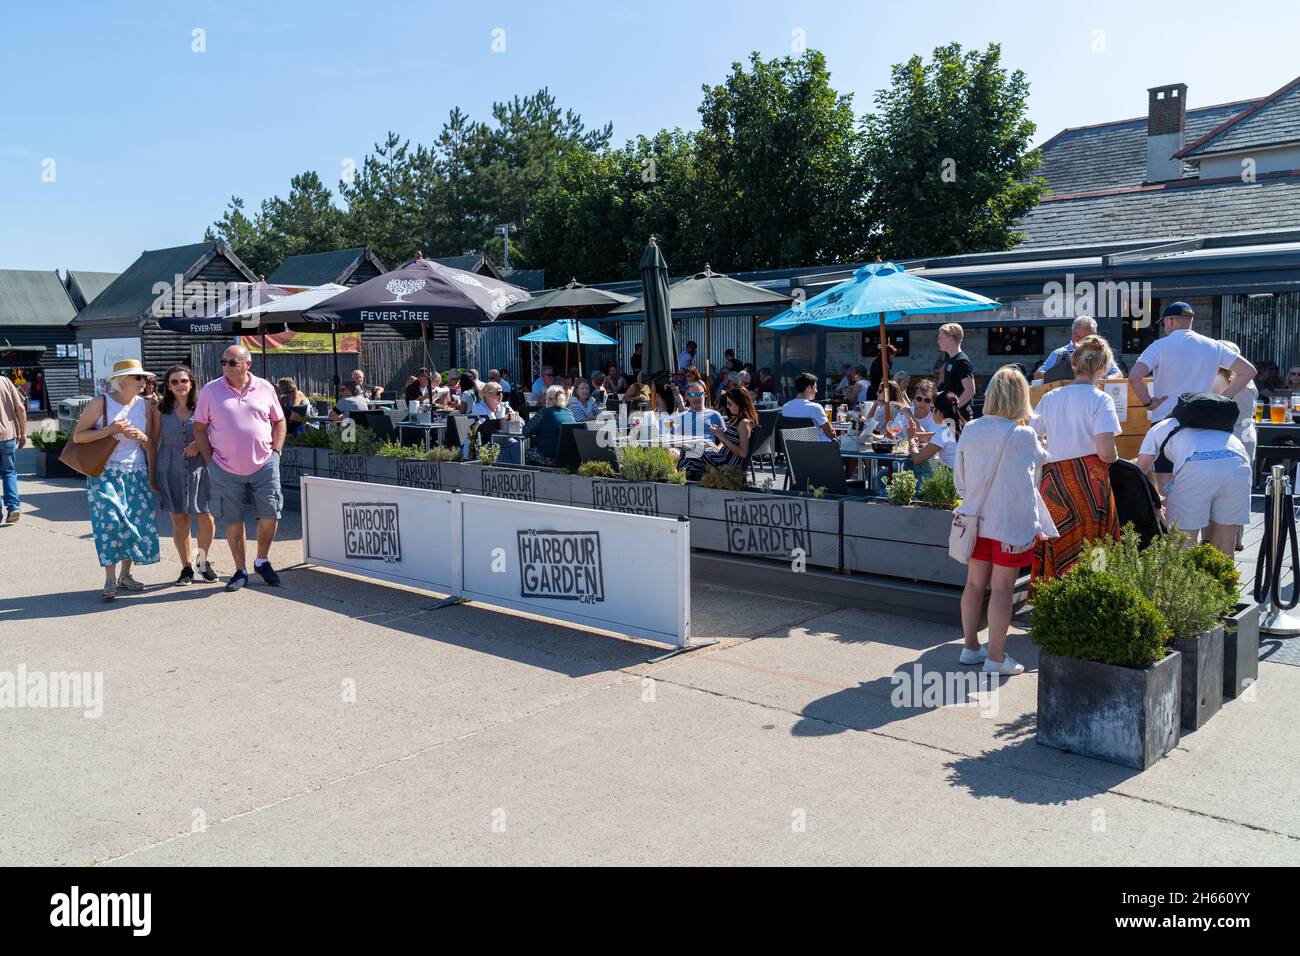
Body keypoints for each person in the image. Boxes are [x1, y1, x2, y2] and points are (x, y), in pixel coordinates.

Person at [953, 365, 1057, 676]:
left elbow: (959, 481)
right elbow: (1039, 469)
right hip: (1009, 525)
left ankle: (971, 647)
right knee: (1002, 590)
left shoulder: (971, 429)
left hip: (975, 519)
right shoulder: (1024, 434)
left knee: (973, 584)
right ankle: (996, 658)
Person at [193, 345, 286, 592]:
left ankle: (262, 561)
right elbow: (199, 428)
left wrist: (276, 452)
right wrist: (209, 460)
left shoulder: (265, 387)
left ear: (247, 364)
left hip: (265, 464)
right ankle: (240, 569)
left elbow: (279, 421)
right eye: (223, 362)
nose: (226, 366)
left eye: (232, 362)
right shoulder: (210, 390)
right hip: (224, 467)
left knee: (270, 514)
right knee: (232, 519)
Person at [1030, 335, 1122, 586]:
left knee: (1056, 538)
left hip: (1054, 483)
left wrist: (1053, 447)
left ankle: (1053, 596)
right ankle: (1093, 592)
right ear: (1103, 368)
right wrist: (1117, 457)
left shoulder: (1050, 397)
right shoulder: (1102, 399)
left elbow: (1031, 438)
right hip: (1090, 484)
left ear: (1074, 363)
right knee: (1096, 542)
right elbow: (1106, 452)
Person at [70, 359, 161, 600]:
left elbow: (150, 444)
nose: (143, 382)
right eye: (138, 377)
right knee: (110, 522)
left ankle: (125, 575)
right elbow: (78, 437)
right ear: (122, 381)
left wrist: (141, 436)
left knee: (133, 524)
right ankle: (109, 579)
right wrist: (110, 430)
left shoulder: (145, 406)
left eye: (144, 378)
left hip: (136, 471)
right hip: (105, 472)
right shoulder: (101, 402)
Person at [1136, 410, 1251, 555]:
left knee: (1182, 541)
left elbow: (1139, 471)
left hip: (1196, 465)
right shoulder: (1216, 424)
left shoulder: (1160, 426)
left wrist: (1153, 505)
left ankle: (1183, 576)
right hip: (1238, 465)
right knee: (1225, 541)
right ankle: (1221, 577)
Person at [1130, 302, 1256, 420]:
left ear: (1170, 320)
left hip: (1165, 420)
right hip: (1201, 421)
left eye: (1163, 324)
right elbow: (1249, 371)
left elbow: (1135, 377)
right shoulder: (1215, 346)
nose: (1164, 328)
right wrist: (1219, 400)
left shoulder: (1159, 346)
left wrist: (1149, 403)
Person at [154, 364, 217, 585]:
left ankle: (202, 561)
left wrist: (198, 443)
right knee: (180, 520)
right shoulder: (160, 409)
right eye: (174, 382)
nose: (180, 385)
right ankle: (186, 568)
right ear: (168, 386)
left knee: (205, 516)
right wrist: (152, 474)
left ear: (191, 383)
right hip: (169, 467)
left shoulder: (203, 406)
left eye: (184, 380)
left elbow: (217, 430)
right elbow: (152, 442)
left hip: (200, 467)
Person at [1036, 316, 1122, 379]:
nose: (1079, 339)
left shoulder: (1100, 354)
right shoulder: (1060, 354)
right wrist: (1059, 377)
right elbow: (1038, 375)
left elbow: (1118, 375)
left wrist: (1103, 380)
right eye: (1076, 334)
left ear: (1094, 336)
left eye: (1084, 336)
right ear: (1072, 332)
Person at [522, 385, 575, 465]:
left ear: (549, 399)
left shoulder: (544, 412)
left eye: (546, 398)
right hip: (566, 458)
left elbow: (525, 431)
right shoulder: (569, 413)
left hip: (547, 458)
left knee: (523, 453)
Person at [910, 391, 963, 473]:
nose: (931, 413)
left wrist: (910, 438)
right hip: (965, 476)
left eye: (932, 409)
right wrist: (923, 435)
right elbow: (947, 439)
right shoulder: (959, 426)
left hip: (952, 480)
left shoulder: (944, 431)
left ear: (938, 412)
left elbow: (917, 459)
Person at [0, 373, 26, 525]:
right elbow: (21, 408)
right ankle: (13, 506)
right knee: (9, 472)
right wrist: (23, 433)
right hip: (8, 435)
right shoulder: (5, 381)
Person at [780, 373, 836, 442]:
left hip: (794, 449)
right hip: (819, 449)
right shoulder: (815, 408)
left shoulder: (785, 407)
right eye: (815, 387)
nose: (816, 391)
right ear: (809, 388)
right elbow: (832, 434)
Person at [937, 323, 976, 414]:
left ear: (950, 339)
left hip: (961, 417)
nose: (938, 341)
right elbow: (952, 389)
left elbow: (970, 391)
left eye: (940, 338)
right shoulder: (951, 360)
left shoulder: (962, 361)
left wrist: (953, 409)